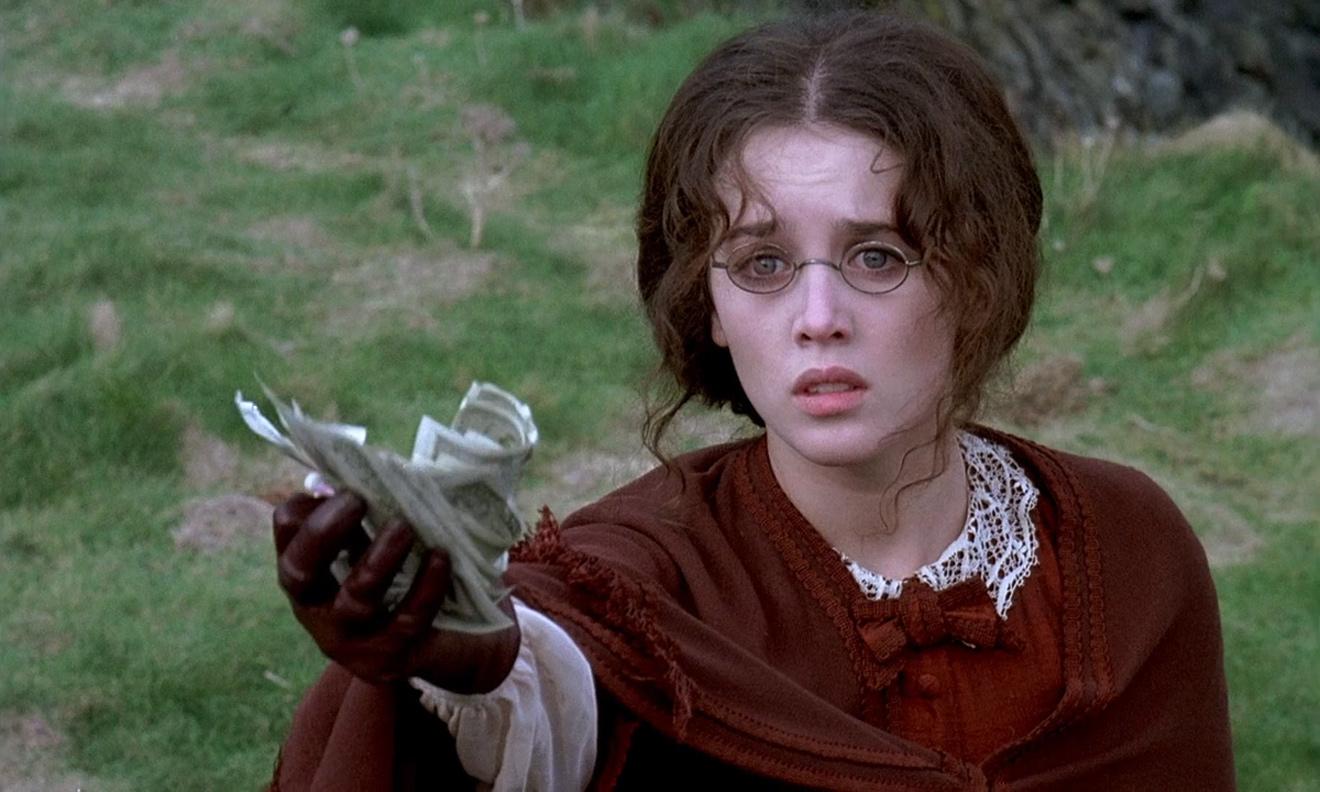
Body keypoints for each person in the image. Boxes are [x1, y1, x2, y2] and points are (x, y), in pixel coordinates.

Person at [266, 10, 1235, 791]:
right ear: (712, 306)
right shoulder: (646, 576)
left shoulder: (1128, 552)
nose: (818, 318)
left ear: (976, 276)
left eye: (877, 256)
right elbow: (565, 690)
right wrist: (470, 667)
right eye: (763, 263)